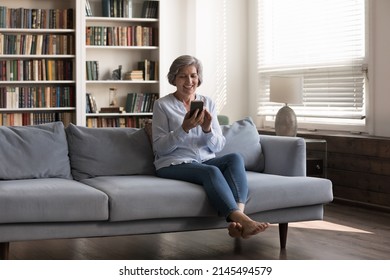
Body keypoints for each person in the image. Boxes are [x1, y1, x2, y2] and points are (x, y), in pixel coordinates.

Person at [152, 55, 269, 239]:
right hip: (173, 163)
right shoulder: (162, 105)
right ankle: (243, 221)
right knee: (211, 171)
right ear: (173, 79)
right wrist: (184, 129)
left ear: (199, 77)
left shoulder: (209, 103)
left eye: (193, 75)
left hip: (205, 159)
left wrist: (207, 129)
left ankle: (238, 221)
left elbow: (219, 145)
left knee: (235, 158)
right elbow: (160, 148)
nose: (189, 81)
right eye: (183, 76)